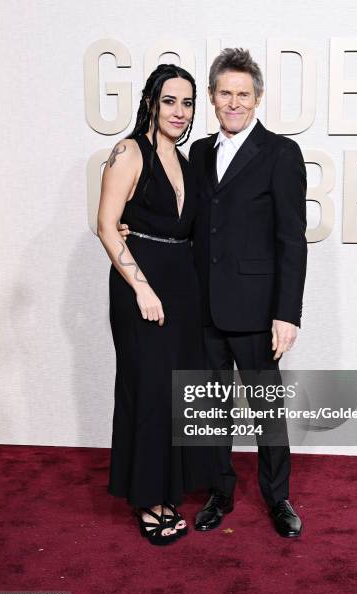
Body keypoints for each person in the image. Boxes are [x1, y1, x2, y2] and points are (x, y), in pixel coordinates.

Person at [120, 48, 308, 538]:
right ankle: (219, 492)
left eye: (243, 94)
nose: (234, 102)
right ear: (212, 96)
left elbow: (292, 239)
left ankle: (278, 497)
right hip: (200, 307)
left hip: (256, 310)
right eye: (224, 92)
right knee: (210, 407)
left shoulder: (281, 154)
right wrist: (129, 225)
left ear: (258, 97)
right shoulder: (197, 153)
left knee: (265, 407)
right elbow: (178, 216)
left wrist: (287, 314)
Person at [97, 64, 214, 545]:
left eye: (187, 103)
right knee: (146, 390)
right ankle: (148, 499)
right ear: (151, 101)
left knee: (172, 393)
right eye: (170, 101)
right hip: (139, 286)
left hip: (182, 288)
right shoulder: (129, 151)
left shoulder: (186, 164)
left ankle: (168, 489)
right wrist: (142, 288)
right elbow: (106, 225)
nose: (179, 112)